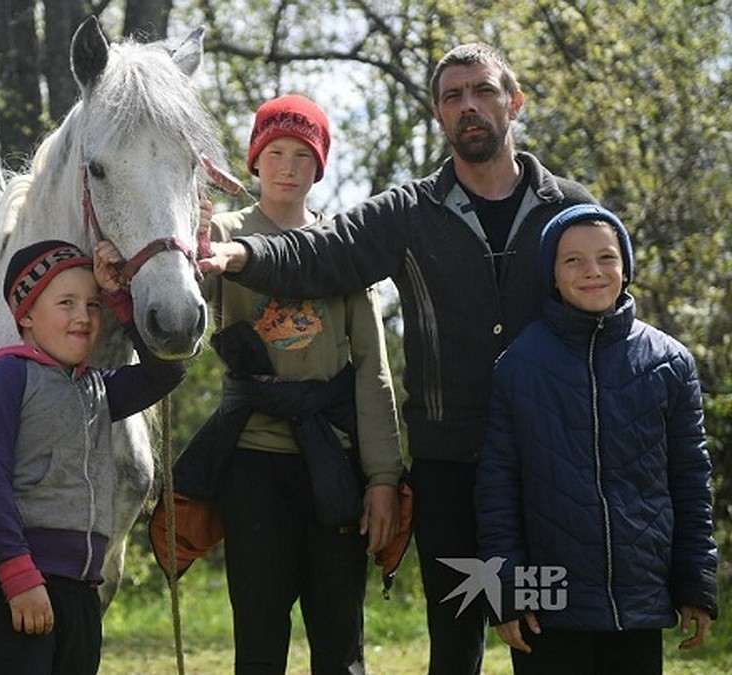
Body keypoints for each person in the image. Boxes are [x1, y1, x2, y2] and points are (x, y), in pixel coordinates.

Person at [198, 43, 596, 674]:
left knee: (543, 638)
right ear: (437, 114)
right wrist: (243, 256)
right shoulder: (408, 212)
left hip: (542, 472)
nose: (468, 106)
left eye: (483, 91)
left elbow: (605, 324)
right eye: (452, 96)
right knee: (456, 647)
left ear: (513, 102)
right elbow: (323, 251)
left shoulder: (570, 210)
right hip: (450, 473)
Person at [198, 94, 404, 674]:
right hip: (254, 463)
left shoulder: (343, 248)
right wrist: (187, 242)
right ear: (255, 162)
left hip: (333, 463)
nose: (288, 167)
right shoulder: (219, 235)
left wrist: (383, 476)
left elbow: (373, 367)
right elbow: (179, 316)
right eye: (276, 152)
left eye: (303, 156)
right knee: (260, 638)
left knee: (340, 638)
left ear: (320, 167)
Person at [475, 204, 718, 673]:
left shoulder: (670, 364)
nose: (593, 272)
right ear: (552, 273)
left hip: (640, 596)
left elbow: (691, 482)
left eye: (606, 257)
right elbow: (498, 490)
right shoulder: (519, 365)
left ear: (625, 267)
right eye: (573, 260)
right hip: (547, 602)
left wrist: (695, 583)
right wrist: (506, 592)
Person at [0, 240, 186, 674]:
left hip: (80, 590)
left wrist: (119, 297)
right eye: (66, 303)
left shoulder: (98, 388)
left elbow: (167, 370)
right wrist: (17, 574)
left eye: (92, 305)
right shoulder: (5, 377)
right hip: (13, 587)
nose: (83, 316)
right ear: (25, 315)